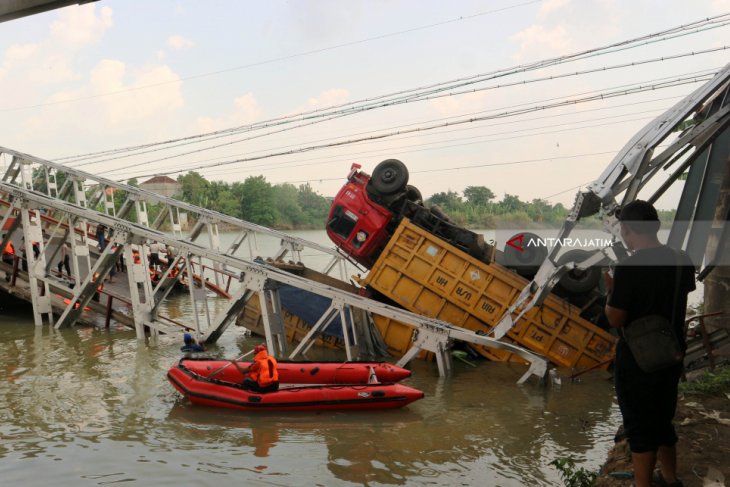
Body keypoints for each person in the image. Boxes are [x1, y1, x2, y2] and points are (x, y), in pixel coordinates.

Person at [604, 200, 695, 487]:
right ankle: (670, 479)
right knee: (662, 419)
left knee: (640, 426)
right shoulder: (682, 259)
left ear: (629, 228)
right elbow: (680, 294)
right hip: (671, 353)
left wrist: (611, 293)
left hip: (638, 359)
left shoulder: (628, 267)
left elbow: (617, 319)